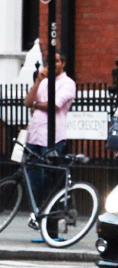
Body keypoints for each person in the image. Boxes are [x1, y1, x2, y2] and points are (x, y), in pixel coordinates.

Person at [23, 51, 76, 217]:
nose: (52, 65)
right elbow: (27, 102)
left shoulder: (68, 83)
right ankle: (38, 214)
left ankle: (52, 218)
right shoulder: (43, 83)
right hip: (34, 136)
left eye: (57, 61)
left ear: (63, 63)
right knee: (34, 179)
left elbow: (55, 106)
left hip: (52, 137)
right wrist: (38, 81)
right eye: (49, 63)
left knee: (50, 179)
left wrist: (36, 106)